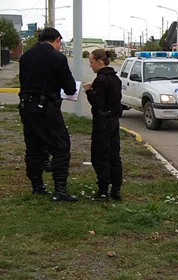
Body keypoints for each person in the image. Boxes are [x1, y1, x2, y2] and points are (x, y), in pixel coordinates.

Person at [18, 27, 78, 202]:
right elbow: (69, 88)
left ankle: (37, 185)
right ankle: (60, 189)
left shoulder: (26, 56)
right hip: (46, 108)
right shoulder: (57, 57)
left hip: (26, 106)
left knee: (33, 145)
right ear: (57, 39)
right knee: (61, 146)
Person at [83, 49, 123, 201]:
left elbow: (97, 103)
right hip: (113, 121)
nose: (90, 66)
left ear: (100, 62)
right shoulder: (115, 79)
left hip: (102, 122)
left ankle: (103, 191)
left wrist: (88, 91)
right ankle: (116, 190)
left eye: (91, 62)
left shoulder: (101, 80)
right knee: (114, 155)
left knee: (100, 156)